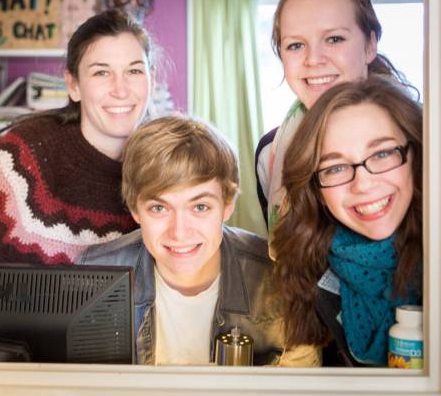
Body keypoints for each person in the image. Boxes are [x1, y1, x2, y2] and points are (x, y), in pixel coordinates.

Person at [80, 114, 311, 366]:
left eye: (200, 207)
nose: (179, 232)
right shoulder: (93, 276)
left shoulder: (280, 279)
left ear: (227, 205)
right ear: (135, 210)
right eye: (159, 208)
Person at [0, 9, 155, 265]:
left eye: (134, 71)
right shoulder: (24, 157)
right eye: (101, 72)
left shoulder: (164, 162)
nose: (121, 90)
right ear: (73, 86)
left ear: (150, 78)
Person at [272, 77, 423, 367]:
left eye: (381, 154)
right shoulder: (308, 266)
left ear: (414, 155)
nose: (363, 184)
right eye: (336, 167)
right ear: (315, 187)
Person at [255, 0, 411, 232]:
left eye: (334, 39)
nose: (314, 59)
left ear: (370, 45)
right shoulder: (270, 154)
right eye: (295, 45)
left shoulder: (418, 136)